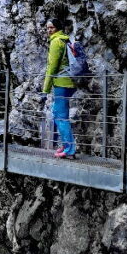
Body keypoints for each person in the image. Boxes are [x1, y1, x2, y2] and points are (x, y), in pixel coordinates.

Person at [42, 18, 76, 158]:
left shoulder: (56, 41)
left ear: (58, 28)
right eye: (47, 28)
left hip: (61, 83)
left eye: (52, 27)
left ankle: (69, 149)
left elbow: (52, 67)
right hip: (69, 82)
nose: (49, 30)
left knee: (60, 116)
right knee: (60, 114)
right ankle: (66, 145)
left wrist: (45, 89)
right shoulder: (65, 39)